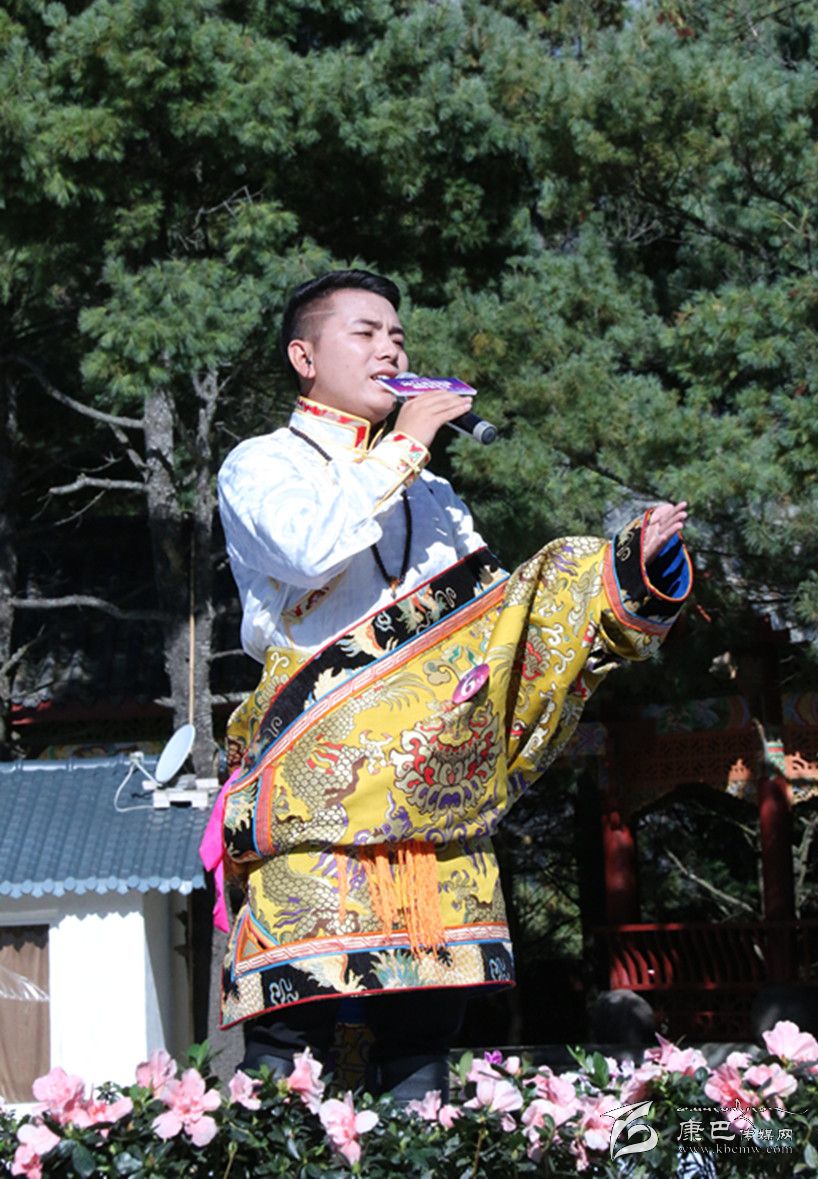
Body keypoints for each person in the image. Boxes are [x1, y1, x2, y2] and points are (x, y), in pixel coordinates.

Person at [215, 268, 691, 1102]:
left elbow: (497, 627)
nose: (391, 350)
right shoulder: (261, 463)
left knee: (419, 1049)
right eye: (366, 333)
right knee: (298, 1053)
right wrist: (405, 444)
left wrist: (622, 574)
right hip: (320, 801)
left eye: (397, 336)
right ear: (303, 356)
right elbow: (305, 548)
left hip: (435, 806)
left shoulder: (432, 492)